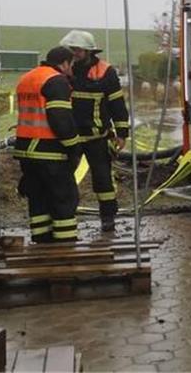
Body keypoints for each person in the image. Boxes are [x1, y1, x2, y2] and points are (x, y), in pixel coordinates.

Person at [59, 30, 130, 233]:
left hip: (97, 136)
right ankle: (65, 217)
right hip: (69, 136)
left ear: (89, 50)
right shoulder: (62, 70)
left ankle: (108, 218)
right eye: (70, 50)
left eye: (77, 50)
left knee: (103, 178)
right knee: (64, 177)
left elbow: (117, 103)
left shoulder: (105, 71)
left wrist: (122, 133)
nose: (74, 54)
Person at [14, 46, 83, 243]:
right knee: (64, 198)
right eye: (72, 65)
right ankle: (65, 244)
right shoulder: (56, 81)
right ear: (65, 63)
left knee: (38, 198)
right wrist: (73, 146)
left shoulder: (28, 78)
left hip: (27, 151)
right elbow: (60, 119)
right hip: (50, 152)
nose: (72, 70)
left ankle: (42, 240)